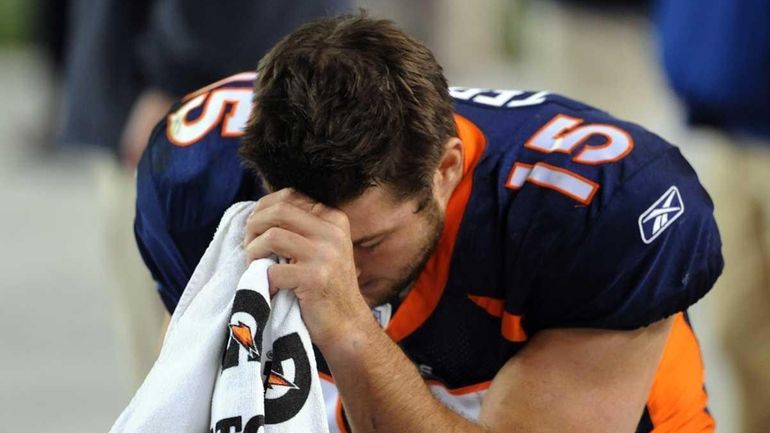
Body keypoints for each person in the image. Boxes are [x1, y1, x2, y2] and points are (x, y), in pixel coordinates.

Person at [136, 14, 723, 432]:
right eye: (308, 236)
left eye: (369, 242)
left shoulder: (593, 209)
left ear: (446, 169)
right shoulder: (200, 174)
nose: (339, 264)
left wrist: (350, 330)